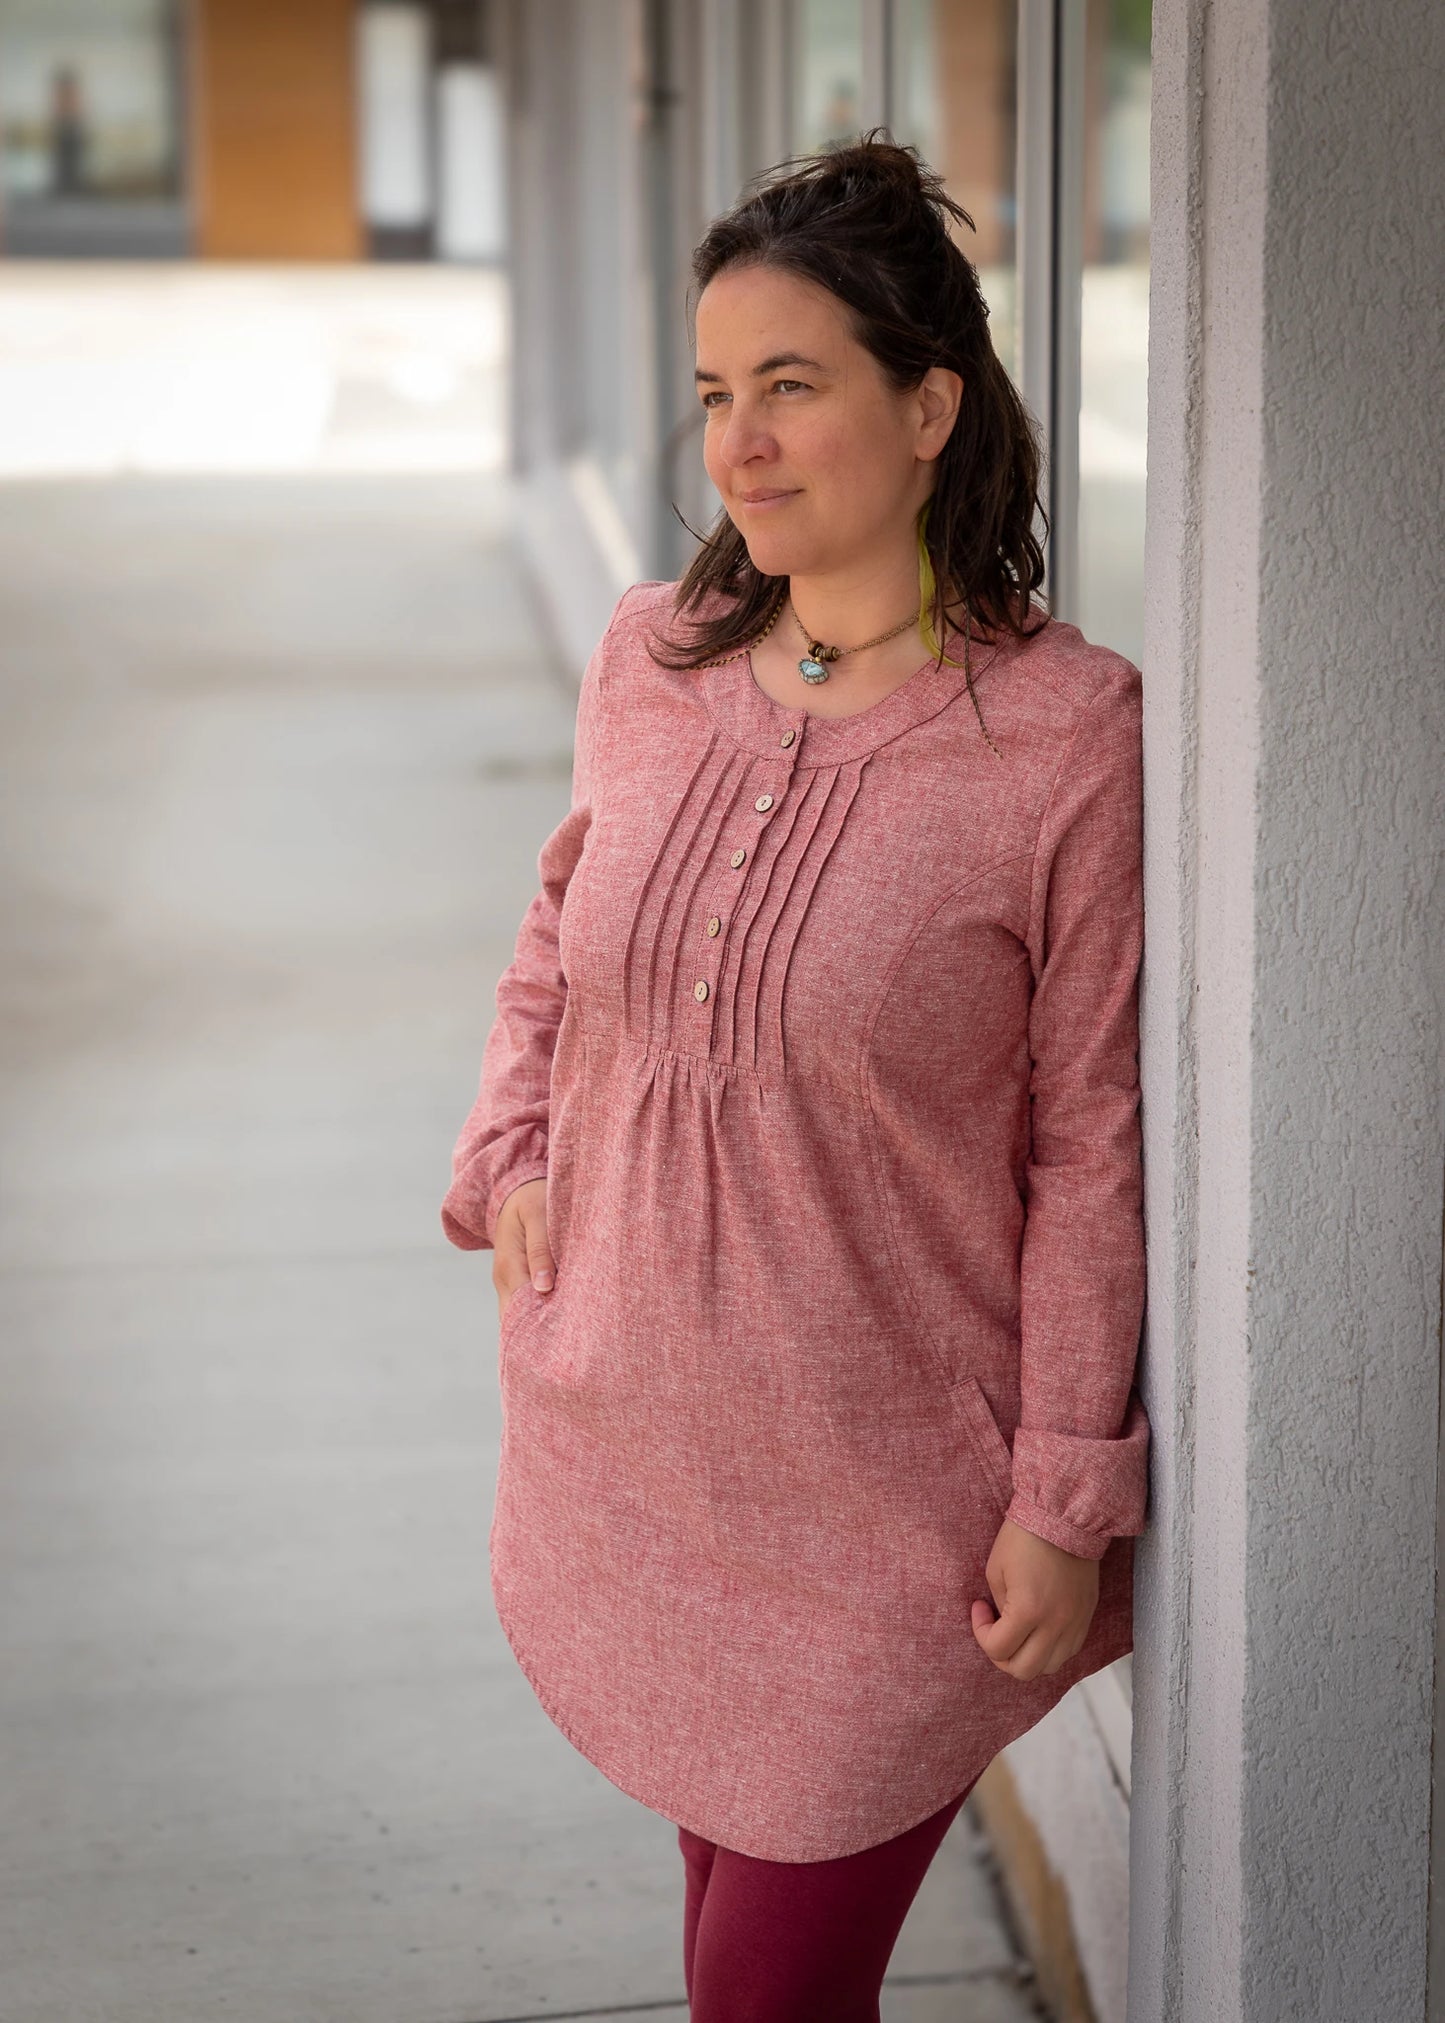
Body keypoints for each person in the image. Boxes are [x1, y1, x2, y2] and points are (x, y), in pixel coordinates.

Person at [441, 129, 1150, 2021]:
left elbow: (1089, 1146)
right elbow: (558, 931)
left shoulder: (1064, 737)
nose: (739, 444)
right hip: (637, 1448)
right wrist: (516, 1148)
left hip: (886, 1518)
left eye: (789, 386)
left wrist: (1062, 1497)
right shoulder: (651, 660)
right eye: (711, 396)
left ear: (927, 408)